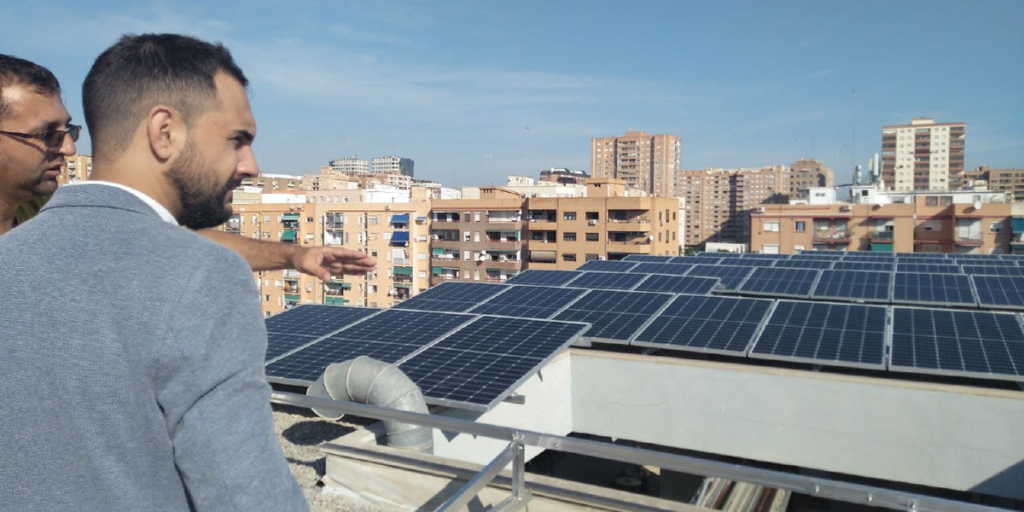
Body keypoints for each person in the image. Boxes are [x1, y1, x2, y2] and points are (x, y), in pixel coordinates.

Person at [0, 34, 311, 511]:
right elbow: (244, 495)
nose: (250, 165)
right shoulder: (205, 276)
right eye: (237, 139)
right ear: (164, 131)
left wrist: (292, 256)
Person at [0, 53, 375, 281]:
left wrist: (295, 255)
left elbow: (166, 243)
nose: (66, 147)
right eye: (47, 134)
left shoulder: (44, 214)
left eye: (69, 130)